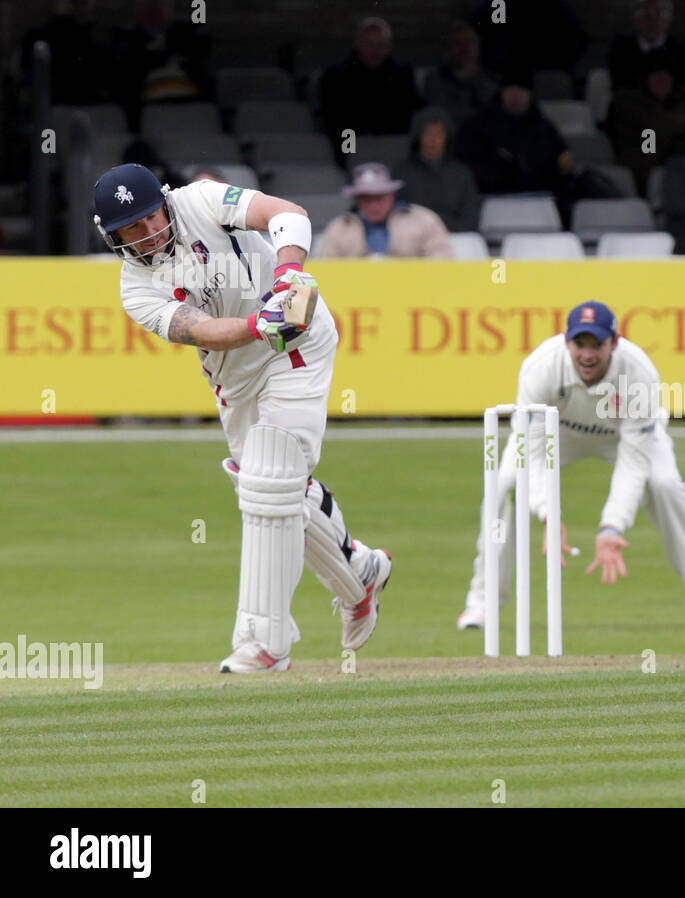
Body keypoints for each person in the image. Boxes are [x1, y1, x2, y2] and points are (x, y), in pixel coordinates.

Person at [91, 162, 392, 672]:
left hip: (298, 343)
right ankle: (359, 574)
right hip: (237, 370)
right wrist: (259, 324)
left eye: (151, 218)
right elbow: (201, 330)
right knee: (270, 490)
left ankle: (265, 642)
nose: (149, 233)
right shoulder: (134, 289)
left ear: (165, 203)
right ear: (112, 237)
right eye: (132, 230)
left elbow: (288, 216)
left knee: (270, 477)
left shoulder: (201, 200)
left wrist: (289, 277)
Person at [456, 301, 685, 632]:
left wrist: (611, 527)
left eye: (596, 345)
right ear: (567, 341)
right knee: (506, 483)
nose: (587, 355)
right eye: (580, 344)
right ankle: (482, 603)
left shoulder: (639, 373)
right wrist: (549, 513)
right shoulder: (540, 368)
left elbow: (633, 461)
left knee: (665, 485)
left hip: (621, 435)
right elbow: (532, 453)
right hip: (557, 432)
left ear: (614, 343)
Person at [455, 69, 573, 196]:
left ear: (530, 94)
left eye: (521, 90)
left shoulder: (544, 128)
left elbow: (561, 163)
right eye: (510, 89)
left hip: (537, 199)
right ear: (502, 92)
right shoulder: (478, 124)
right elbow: (466, 164)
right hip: (490, 197)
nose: (515, 95)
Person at [606, 48, 685, 193]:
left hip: (683, 167)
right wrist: (683, 126)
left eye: (666, 74)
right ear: (645, 78)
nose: (662, 79)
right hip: (642, 166)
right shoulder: (627, 101)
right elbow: (652, 128)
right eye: (655, 74)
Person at [319, 17, 422, 158]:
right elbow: (335, 119)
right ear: (356, 44)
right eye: (369, 44)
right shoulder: (336, 76)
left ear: (389, 46)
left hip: (392, 144)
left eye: (381, 44)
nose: (375, 50)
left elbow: (408, 113)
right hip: (350, 144)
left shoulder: (402, 75)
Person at [316, 163, 453, 259]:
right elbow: (328, 271)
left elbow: (442, 260)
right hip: (357, 296)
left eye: (380, 197)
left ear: (391, 194)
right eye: (367, 199)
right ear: (357, 200)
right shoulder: (339, 227)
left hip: (416, 294)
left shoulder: (423, 220)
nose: (374, 206)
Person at [392, 107, 481, 233]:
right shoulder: (401, 171)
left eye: (439, 133)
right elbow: (394, 213)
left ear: (447, 137)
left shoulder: (462, 174)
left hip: (454, 240)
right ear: (418, 137)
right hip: (411, 239)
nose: (433, 139)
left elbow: (470, 219)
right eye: (427, 133)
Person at [421, 21, 499, 128]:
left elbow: (495, 109)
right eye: (458, 44)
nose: (464, 49)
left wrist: (474, 76)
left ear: (477, 47)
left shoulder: (492, 79)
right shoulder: (435, 80)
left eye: (469, 43)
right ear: (449, 49)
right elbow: (443, 114)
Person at [608, 0, 685, 90]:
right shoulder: (620, 50)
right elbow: (619, 88)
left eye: (659, 12)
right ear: (633, 17)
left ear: (670, 17)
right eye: (644, 13)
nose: (652, 19)